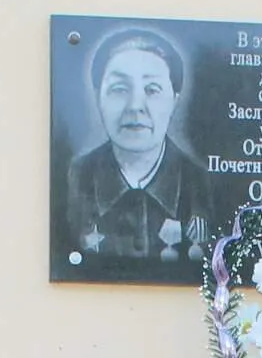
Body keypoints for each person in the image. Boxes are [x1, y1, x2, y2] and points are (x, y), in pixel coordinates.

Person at [59, 25, 220, 273]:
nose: (135, 106)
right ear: (98, 97)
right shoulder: (74, 178)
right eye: (119, 89)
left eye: (152, 90)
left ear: (175, 100)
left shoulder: (200, 184)